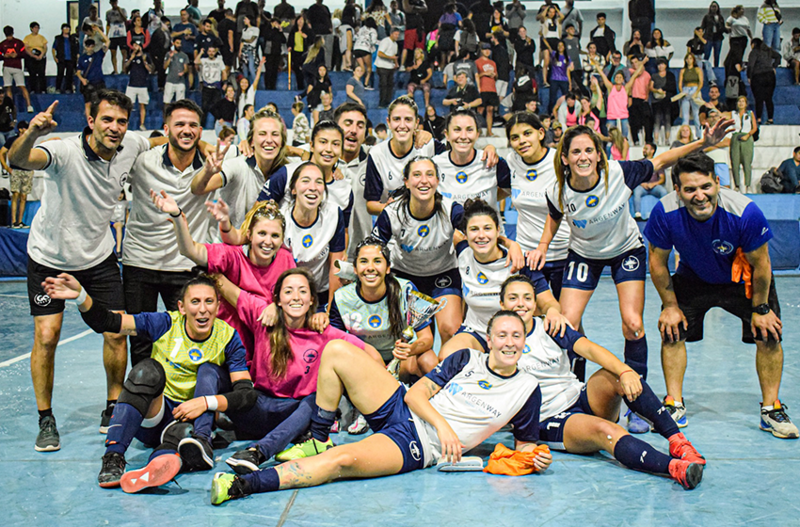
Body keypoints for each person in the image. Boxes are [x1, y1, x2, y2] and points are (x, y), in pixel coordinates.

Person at [209, 310, 553, 505]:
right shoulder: (466, 358)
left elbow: (525, 443)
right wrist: (446, 426)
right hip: (403, 407)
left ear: (525, 342)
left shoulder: (527, 389)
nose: (510, 343)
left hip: (418, 445)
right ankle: (318, 436)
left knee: (339, 462)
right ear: (489, 339)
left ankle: (242, 485)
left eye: (517, 336)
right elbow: (415, 395)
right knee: (336, 352)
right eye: (502, 335)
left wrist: (536, 455)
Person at [528, 120, 733, 432]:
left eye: (588, 151)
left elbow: (665, 159)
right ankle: (573, 392)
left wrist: (705, 142)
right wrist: (542, 246)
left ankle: (638, 404)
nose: (583, 157)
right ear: (565, 158)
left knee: (634, 325)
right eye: (575, 152)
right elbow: (554, 217)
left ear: (599, 155)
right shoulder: (557, 188)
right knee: (565, 323)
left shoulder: (620, 173)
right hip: (584, 254)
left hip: (626, 251)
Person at [7, 92, 160, 451]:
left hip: (98, 258)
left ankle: (113, 407)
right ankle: (46, 419)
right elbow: (18, 160)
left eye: (121, 121)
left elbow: (156, 138)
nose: (115, 128)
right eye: (107, 120)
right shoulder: (62, 151)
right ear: (91, 120)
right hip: (50, 258)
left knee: (115, 332)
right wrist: (32, 132)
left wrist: (183, 134)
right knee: (47, 336)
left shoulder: (130, 144)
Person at [42, 272, 256, 491]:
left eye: (209, 301)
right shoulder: (164, 323)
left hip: (192, 420)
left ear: (218, 306)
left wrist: (204, 403)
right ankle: (113, 457)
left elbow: (246, 395)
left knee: (208, 373)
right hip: (156, 416)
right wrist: (81, 297)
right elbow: (108, 322)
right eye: (195, 302)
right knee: (146, 371)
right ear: (182, 307)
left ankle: (165, 461)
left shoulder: (227, 336)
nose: (203, 309)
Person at [499, 274, 706, 489]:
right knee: (605, 430)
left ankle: (680, 444)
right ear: (501, 303)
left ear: (535, 303)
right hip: (551, 418)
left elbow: (588, 348)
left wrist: (626, 371)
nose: (521, 304)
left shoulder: (548, 326)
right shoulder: (498, 340)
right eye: (513, 298)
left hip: (579, 396)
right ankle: (675, 468)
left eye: (527, 298)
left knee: (618, 375)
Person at [645, 152, 799, 439]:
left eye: (705, 187)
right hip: (693, 276)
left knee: (769, 334)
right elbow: (657, 260)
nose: (699, 196)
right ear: (677, 190)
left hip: (742, 280)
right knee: (671, 330)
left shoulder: (744, 211)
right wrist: (669, 306)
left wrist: (762, 309)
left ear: (718, 183)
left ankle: (771, 409)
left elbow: (762, 263)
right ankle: (674, 404)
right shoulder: (664, 212)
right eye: (689, 189)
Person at [215, 267, 375, 471]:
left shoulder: (324, 332)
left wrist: (384, 387)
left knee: (316, 399)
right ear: (278, 299)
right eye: (288, 291)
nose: (296, 297)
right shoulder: (264, 315)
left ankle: (258, 452)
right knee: (212, 370)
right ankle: (198, 437)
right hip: (257, 409)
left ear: (311, 300)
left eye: (302, 291)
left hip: (296, 415)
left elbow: (371, 354)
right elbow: (226, 287)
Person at [120, 100, 214, 366]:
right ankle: (142, 399)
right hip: (141, 262)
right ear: (166, 129)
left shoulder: (211, 165)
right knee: (140, 340)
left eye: (193, 125)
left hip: (185, 266)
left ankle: (187, 402)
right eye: (180, 124)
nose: (187, 130)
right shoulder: (141, 161)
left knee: (191, 337)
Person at [439, 198, 567, 360]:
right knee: (448, 356)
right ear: (466, 232)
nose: (481, 235)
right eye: (474, 229)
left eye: (487, 228)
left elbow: (549, 302)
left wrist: (553, 312)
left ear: (498, 230)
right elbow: (454, 230)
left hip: (513, 334)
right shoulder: (464, 252)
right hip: (477, 331)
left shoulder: (519, 262)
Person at [372, 156, 469, 345]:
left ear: (437, 181)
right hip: (405, 277)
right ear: (407, 182)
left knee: (450, 330)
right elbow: (372, 249)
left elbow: (480, 229)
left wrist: (509, 244)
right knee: (412, 341)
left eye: (429, 175)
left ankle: (451, 371)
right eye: (417, 175)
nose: (424, 180)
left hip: (443, 275)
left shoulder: (451, 209)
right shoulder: (392, 213)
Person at [331, 237, 437, 381]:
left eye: (377, 261)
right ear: (355, 269)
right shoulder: (342, 298)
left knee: (428, 359)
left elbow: (427, 338)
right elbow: (334, 342)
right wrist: (368, 352)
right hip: (364, 361)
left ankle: (430, 400)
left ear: (388, 268)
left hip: (401, 361)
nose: (370, 267)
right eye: (363, 261)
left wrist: (410, 350)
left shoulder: (406, 289)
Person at [505, 112, 571, 301]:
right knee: (529, 318)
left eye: (527, 133)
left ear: (541, 133)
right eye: (515, 138)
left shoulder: (560, 162)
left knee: (566, 321)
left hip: (563, 253)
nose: (522, 141)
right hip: (527, 256)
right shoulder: (512, 162)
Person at [258, 122, 353, 237]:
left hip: (321, 254)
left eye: (336, 144)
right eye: (323, 142)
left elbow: (344, 232)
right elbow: (257, 213)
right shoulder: (287, 174)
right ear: (312, 146)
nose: (329, 149)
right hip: (282, 251)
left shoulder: (345, 190)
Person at [364, 96, 450, 216]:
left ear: (416, 123)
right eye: (397, 119)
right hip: (394, 226)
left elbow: (457, 159)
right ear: (388, 122)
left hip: (428, 224)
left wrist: (486, 148)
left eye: (408, 119)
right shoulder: (377, 154)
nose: (402, 125)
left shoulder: (429, 146)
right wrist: (390, 208)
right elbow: (371, 204)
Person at [434, 109, 513, 225]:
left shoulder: (492, 161)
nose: (463, 136)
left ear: (477, 134)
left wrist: (489, 197)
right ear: (447, 135)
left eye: (469, 130)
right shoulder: (434, 165)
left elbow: (511, 190)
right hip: (449, 240)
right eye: (457, 130)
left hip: (489, 240)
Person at [0, 120, 31, 227]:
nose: (26, 130)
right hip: (16, 170)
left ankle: (20, 221)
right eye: (25, 128)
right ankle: (14, 221)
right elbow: (2, 152)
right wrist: (6, 167)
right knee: (15, 195)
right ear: (20, 129)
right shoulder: (12, 140)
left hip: (27, 170)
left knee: (23, 196)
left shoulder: (29, 140)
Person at [77, 34, 110, 122]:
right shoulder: (82, 58)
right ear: (85, 46)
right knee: (88, 103)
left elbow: (108, 42)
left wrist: (98, 31)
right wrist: (82, 79)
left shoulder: (98, 55)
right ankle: (89, 122)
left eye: (91, 46)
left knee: (102, 101)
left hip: (99, 81)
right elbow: (78, 71)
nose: (90, 48)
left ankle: (102, 119)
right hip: (89, 82)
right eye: (88, 46)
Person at [747, 38, 781, 126]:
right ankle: (770, 119)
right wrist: (774, 66)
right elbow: (778, 56)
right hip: (770, 76)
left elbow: (751, 65)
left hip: (758, 76)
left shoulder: (754, 52)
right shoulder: (768, 51)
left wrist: (749, 76)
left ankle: (758, 119)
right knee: (768, 98)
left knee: (759, 98)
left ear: (753, 44)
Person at [1, 26, 34, 113]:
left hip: (17, 67)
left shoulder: (18, 43)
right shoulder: (2, 44)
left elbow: (24, 53)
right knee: (8, 87)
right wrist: (4, 56)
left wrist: (17, 55)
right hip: (7, 67)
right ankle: (10, 107)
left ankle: (29, 105)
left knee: (22, 86)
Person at [730, 95, 758, 193]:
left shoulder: (750, 113)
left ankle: (748, 185)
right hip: (736, 137)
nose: (741, 103)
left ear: (746, 104)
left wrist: (748, 135)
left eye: (743, 101)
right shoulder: (733, 113)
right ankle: (737, 185)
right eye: (739, 101)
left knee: (747, 162)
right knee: (735, 162)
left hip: (747, 137)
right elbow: (721, 115)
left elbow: (754, 127)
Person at [633, 142, 668, 219]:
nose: (643, 150)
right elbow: (635, 176)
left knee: (663, 192)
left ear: (652, 151)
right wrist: (641, 183)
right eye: (643, 149)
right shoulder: (639, 162)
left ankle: (664, 213)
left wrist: (654, 184)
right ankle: (637, 214)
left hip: (654, 186)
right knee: (637, 192)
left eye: (646, 149)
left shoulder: (658, 163)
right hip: (642, 186)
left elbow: (662, 179)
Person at [124, 43, 154, 131]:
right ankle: (126, 123)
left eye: (137, 46)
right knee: (128, 105)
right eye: (134, 46)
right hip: (132, 85)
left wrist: (144, 61)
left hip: (143, 85)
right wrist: (131, 58)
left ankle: (142, 124)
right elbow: (125, 69)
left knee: (142, 105)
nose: (135, 48)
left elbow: (151, 70)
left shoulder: (146, 57)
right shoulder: (130, 56)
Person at [196, 46, 227, 125]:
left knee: (216, 107)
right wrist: (201, 53)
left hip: (216, 87)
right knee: (204, 107)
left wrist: (225, 83)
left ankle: (216, 125)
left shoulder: (219, 61)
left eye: (213, 51)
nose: (211, 53)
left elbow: (224, 72)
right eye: (209, 51)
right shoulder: (204, 60)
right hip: (206, 87)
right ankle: (202, 125)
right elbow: (196, 61)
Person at [650, 59, 677, 146]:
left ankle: (667, 139)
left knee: (667, 120)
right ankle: (656, 140)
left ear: (665, 65)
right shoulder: (654, 76)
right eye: (659, 65)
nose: (660, 66)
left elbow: (673, 88)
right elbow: (650, 87)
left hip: (667, 100)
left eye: (662, 64)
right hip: (657, 100)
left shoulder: (670, 75)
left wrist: (665, 91)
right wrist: (658, 91)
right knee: (657, 120)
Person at [475, 44, 500, 134]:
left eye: (489, 49)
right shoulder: (477, 62)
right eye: (485, 49)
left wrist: (494, 75)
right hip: (482, 88)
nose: (487, 51)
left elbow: (496, 76)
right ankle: (478, 129)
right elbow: (476, 75)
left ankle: (489, 131)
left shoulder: (493, 63)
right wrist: (485, 73)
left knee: (490, 109)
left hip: (492, 89)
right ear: (481, 50)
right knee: (480, 110)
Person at [376, 27, 401, 108]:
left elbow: (394, 56)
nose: (397, 36)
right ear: (391, 34)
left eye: (398, 35)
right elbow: (380, 53)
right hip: (382, 66)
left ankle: (387, 102)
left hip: (390, 67)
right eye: (396, 34)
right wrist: (391, 58)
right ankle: (382, 102)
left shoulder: (395, 44)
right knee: (384, 85)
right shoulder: (386, 41)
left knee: (390, 85)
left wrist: (396, 63)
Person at [172, 9, 198, 90]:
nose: (183, 16)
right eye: (181, 15)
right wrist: (183, 32)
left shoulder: (192, 26)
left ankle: (191, 88)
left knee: (190, 70)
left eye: (184, 14)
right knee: (179, 69)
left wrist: (190, 37)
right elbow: (172, 34)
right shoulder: (177, 26)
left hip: (189, 51)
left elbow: (197, 37)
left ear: (188, 15)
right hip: (180, 51)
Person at [307, 0, 334, 70]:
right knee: (317, 50)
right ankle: (316, 65)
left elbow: (329, 18)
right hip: (317, 32)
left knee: (328, 50)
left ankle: (328, 66)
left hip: (327, 32)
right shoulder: (312, 8)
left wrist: (330, 28)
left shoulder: (325, 8)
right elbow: (309, 20)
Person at [52, 24, 79, 94]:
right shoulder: (58, 38)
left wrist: (76, 57)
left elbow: (76, 49)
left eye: (68, 28)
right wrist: (55, 57)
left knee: (69, 74)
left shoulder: (72, 39)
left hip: (70, 59)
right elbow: (54, 48)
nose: (67, 29)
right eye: (65, 28)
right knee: (60, 74)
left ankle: (68, 88)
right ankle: (58, 88)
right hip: (61, 58)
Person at [23, 22, 47, 95]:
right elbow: (26, 48)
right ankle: (33, 89)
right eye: (35, 28)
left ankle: (42, 89)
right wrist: (33, 56)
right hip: (31, 57)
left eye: (37, 28)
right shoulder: (27, 38)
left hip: (40, 56)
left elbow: (45, 47)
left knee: (41, 73)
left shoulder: (41, 37)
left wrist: (41, 55)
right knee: (32, 74)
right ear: (31, 28)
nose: (36, 29)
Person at [164, 38, 190, 104]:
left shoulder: (184, 56)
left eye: (180, 43)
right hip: (170, 81)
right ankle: (166, 114)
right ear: (173, 43)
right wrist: (170, 57)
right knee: (166, 101)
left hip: (180, 81)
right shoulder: (168, 54)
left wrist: (183, 72)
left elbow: (186, 68)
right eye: (177, 43)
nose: (179, 45)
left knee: (180, 103)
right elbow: (164, 67)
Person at [105, 0, 129, 74]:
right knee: (113, 52)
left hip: (122, 34)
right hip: (113, 35)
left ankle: (123, 69)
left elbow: (125, 19)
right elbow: (108, 24)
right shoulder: (108, 13)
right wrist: (106, 35)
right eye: (113, 2)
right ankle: (115, 70)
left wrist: (119, 10)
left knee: (124, 52)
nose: (114, 4)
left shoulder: (123, 10)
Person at [263, 18, 285, 89]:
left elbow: (283, 40)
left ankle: (273, 85)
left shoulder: (279, 32)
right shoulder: (268, 30)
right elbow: (268, 37)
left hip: (277, 52)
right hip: (269, 52)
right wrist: (274, 29)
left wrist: (281, 31)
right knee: (268, 69)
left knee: (275, 69)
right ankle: (267, 85)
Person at [702, 2, 726, 68]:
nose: (714, 8)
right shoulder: (707, 17)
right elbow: (702, 27)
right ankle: (704, 67)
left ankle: (716, 67)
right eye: (712, 6)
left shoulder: (720, 17)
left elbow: (723, 27)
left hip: (718, 37)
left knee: (717, 54)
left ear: (718, 8)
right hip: (708, 37)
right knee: (707, 53)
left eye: (715, 6)